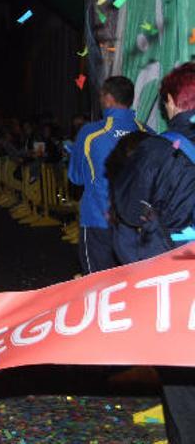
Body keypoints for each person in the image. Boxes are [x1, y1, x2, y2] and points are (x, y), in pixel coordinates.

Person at [110, 63, 195, 444]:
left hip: (176, 283)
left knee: (182, 383)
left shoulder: (156, 151)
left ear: (173, 102)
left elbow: (129, 217)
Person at [68, 76, 149, 274]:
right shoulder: (148, 132)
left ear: (109, 99)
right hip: (136, 224)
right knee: (130, 284)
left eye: (102, 95)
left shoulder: (90, 133)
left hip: (98, 220)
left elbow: (76, 177)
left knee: (97, 283)